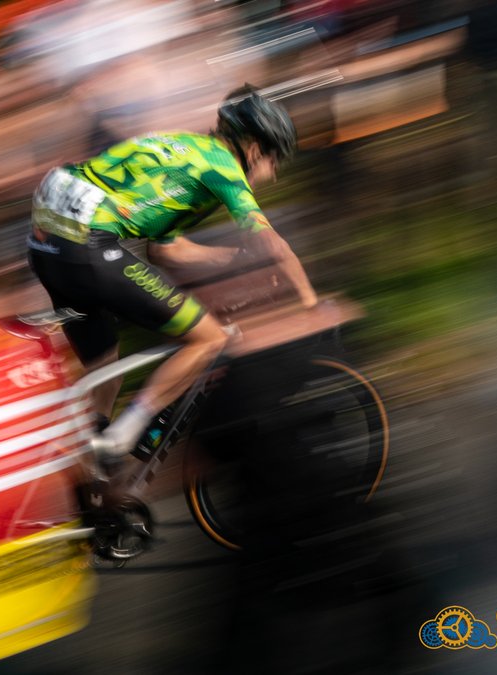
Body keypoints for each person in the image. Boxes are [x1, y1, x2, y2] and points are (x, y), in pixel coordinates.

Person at [27, 85, 317, 457]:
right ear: (255, 148)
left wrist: (237, 260)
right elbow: (274, 244)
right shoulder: (224, 168)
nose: (273, 175)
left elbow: (165, 250)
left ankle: (93, 479)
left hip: (46, 244)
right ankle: (122, 439)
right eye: (274, 162)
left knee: (105, 373)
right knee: (209, 339)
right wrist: (310, 304)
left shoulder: (185, 148)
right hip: (85, 243)